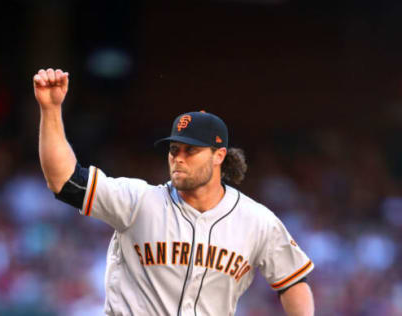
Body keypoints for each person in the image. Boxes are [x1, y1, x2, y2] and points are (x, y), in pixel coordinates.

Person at [33, 68, 315, 316]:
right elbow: (65, 181)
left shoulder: (256, 220)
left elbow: (292, 282)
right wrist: (50, 110)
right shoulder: (138, 201)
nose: (178, 158)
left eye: (190, 150)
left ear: (219, 156)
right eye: (173, 150)